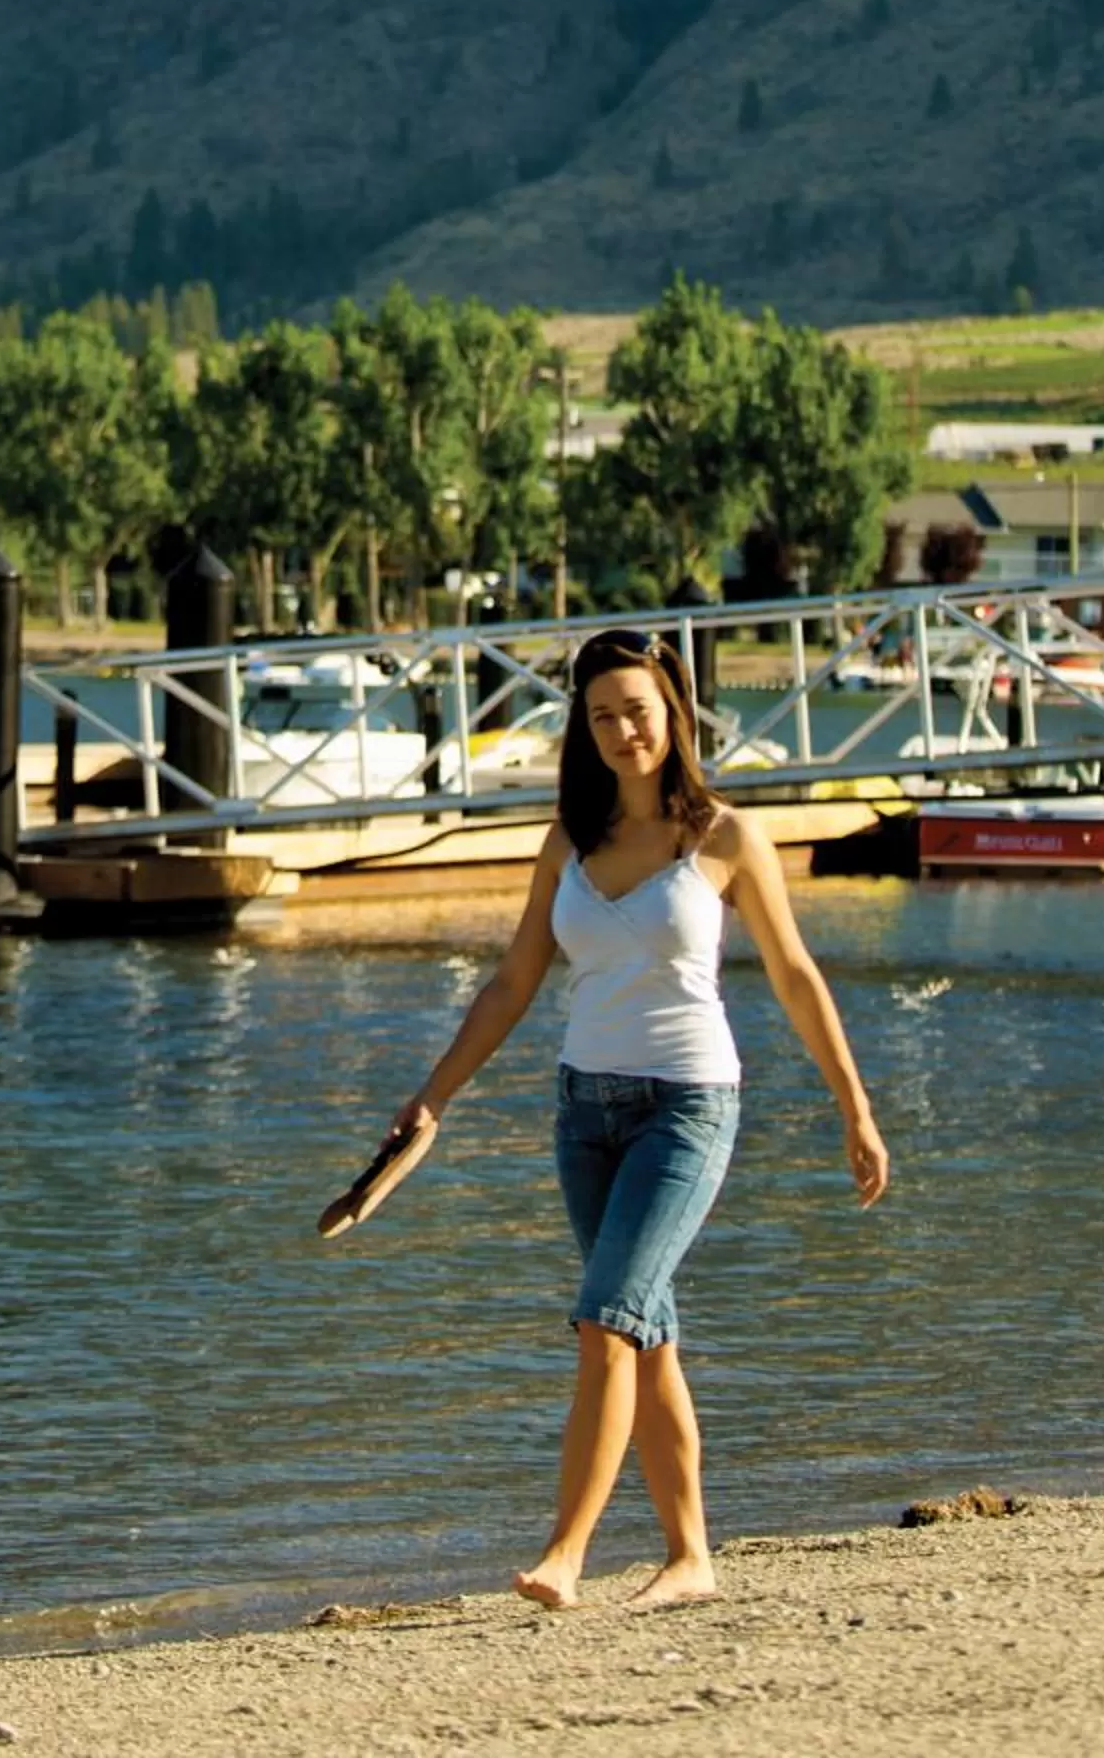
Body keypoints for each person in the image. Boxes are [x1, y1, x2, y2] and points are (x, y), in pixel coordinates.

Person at [389, 626, 888, 1611]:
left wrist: (855, 1110)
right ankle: (690, 1558)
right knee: (643, 1331)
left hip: (689, 1108)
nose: (624, 730)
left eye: (639, 709)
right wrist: (433, 1096)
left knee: (603, 1321)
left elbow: (794, 976)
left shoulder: (727, 836)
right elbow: (513, 982)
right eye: (604, 714)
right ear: (583, 725)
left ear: (675, 711)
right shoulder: (569, 840)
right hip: (584, 1113)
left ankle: (566, 1553)